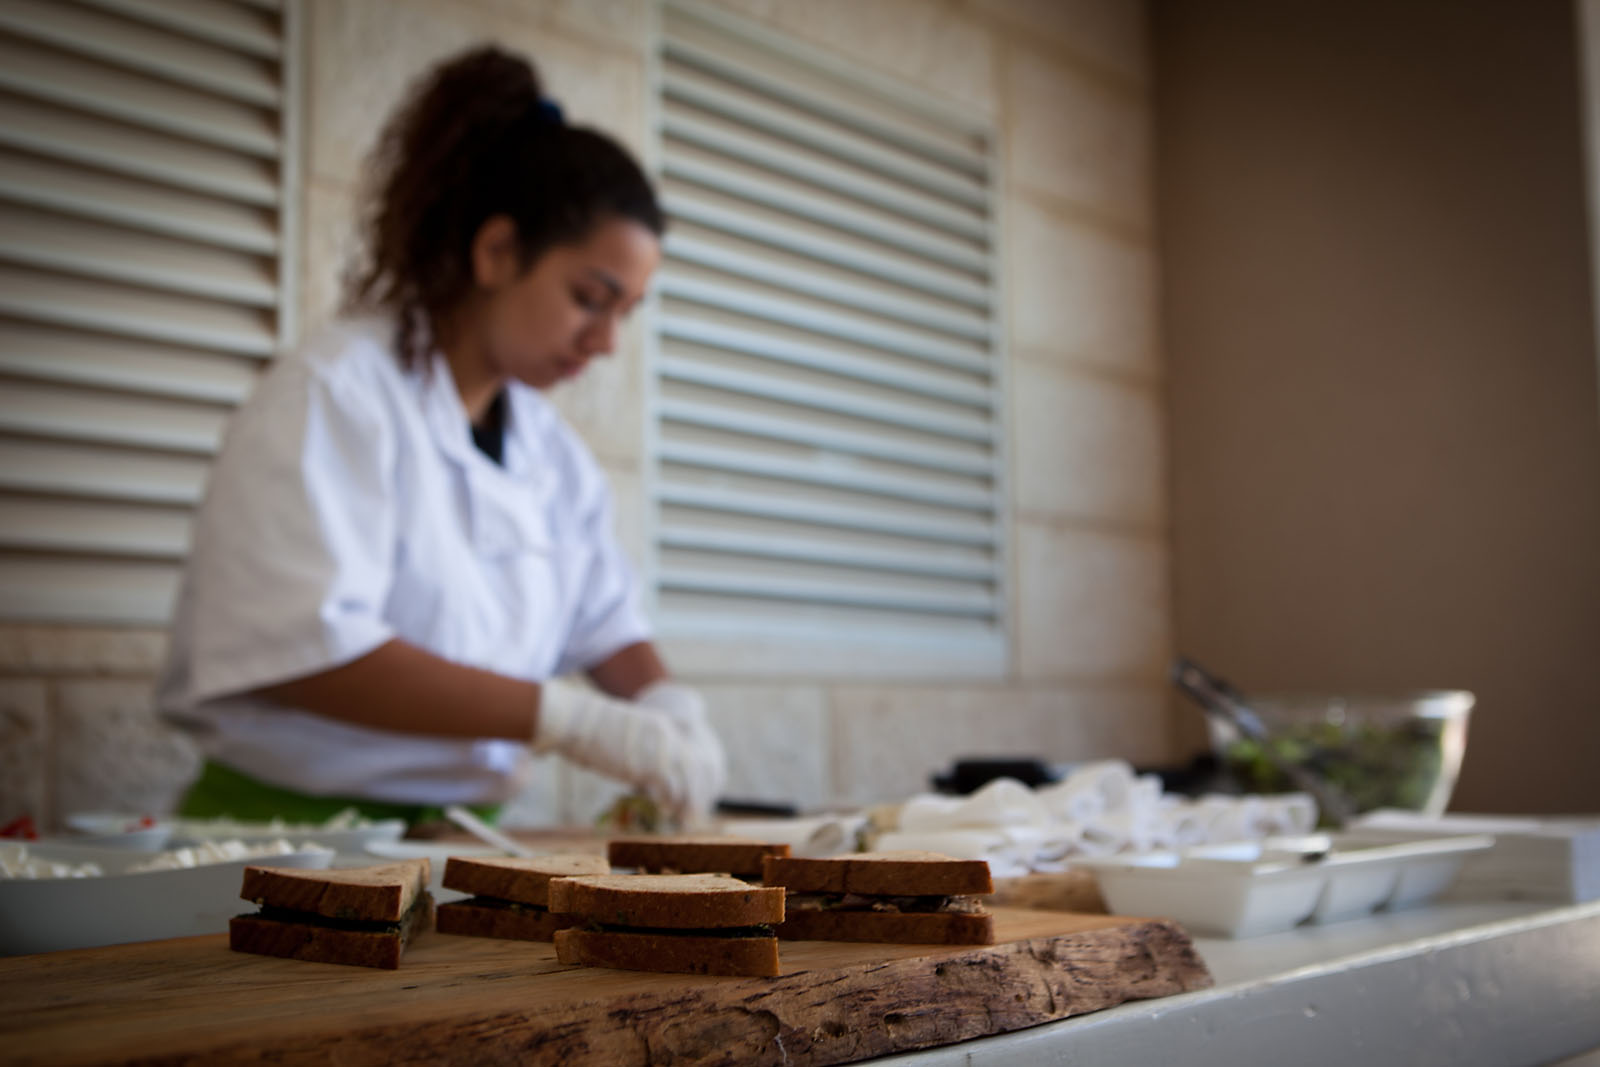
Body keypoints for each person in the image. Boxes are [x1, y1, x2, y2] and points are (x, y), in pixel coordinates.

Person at [156, 46, 725, 827]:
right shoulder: (336, 393)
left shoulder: (551, 452)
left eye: (626, 312)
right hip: (290, 836)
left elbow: (605, 622)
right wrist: (565, 718)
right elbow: (304, 649)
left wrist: (665, 703)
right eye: (590, 298)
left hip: (464, 836)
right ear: (497, 253)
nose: (606, 343)